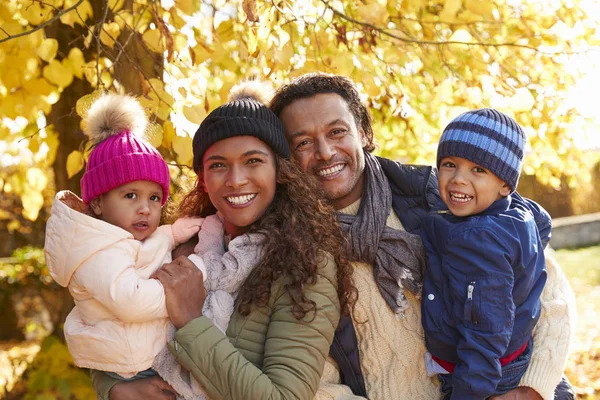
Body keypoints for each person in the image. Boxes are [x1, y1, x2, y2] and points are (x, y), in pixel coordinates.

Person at [270, 72, 576, 400]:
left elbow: (551, 295)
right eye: (303, 142)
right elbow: (316, 383)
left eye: (337, 131)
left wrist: (531, 389)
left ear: (361, 131)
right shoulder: (293, 251)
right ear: (288, 157)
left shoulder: (438, 193)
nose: (325, 152)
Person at [90, 82, 357, 400]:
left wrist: (190, 320)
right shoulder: (178, 245)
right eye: (218, 165)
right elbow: (108, 323)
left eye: (253, 161)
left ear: (279, 171)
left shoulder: (307, 264)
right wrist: (114, 387)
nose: (236, 179)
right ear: (202, 178)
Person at [44, 94, 204, 382]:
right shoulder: (95, 252)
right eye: (130, 195)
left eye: (154, 197)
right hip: (133, 368)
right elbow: (130, 301)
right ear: (97, 203)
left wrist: (172, 233)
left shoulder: (118, 237)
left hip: (146, 354)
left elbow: (143, 253)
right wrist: (185, 288)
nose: (144, 207)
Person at [420, 108, 550, 399]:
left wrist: (467, 392)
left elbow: (485, 331)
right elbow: (543, 225)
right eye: (450, 164)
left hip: (482, 371)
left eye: (478, 170)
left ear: (505, 184)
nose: (458, 179)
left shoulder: (479, 242)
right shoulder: (519, 214)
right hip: (508, 354)